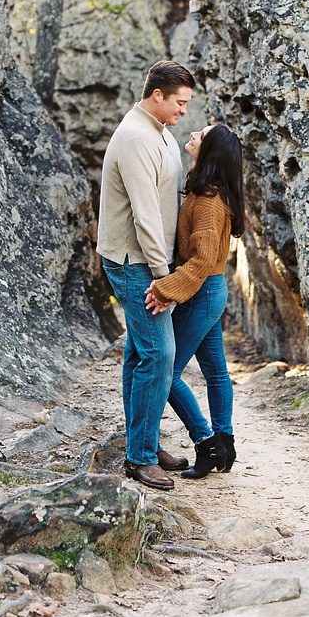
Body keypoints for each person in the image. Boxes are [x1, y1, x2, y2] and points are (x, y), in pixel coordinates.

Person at [98, 60, 194, 491]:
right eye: (179, 102)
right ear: (157, 95)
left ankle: (146, 444)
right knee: (159, 355)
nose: (183, 111)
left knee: (141, 355)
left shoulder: (159, 133)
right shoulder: (138, 138)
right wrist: (164, 276)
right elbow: (145, 216)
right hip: (135, 262)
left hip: (147, 261)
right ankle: (139, 458)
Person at [145, 123, 245, 479]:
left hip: (201, 293)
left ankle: (207, 442)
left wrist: (165, 288)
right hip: (210, 291)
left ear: (211, 151)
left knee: (166, 372)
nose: (193, 135)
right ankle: (226, 441)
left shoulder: (207, 202)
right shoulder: (208, 191)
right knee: (216, 371)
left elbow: (200, 260)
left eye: (201, 135)